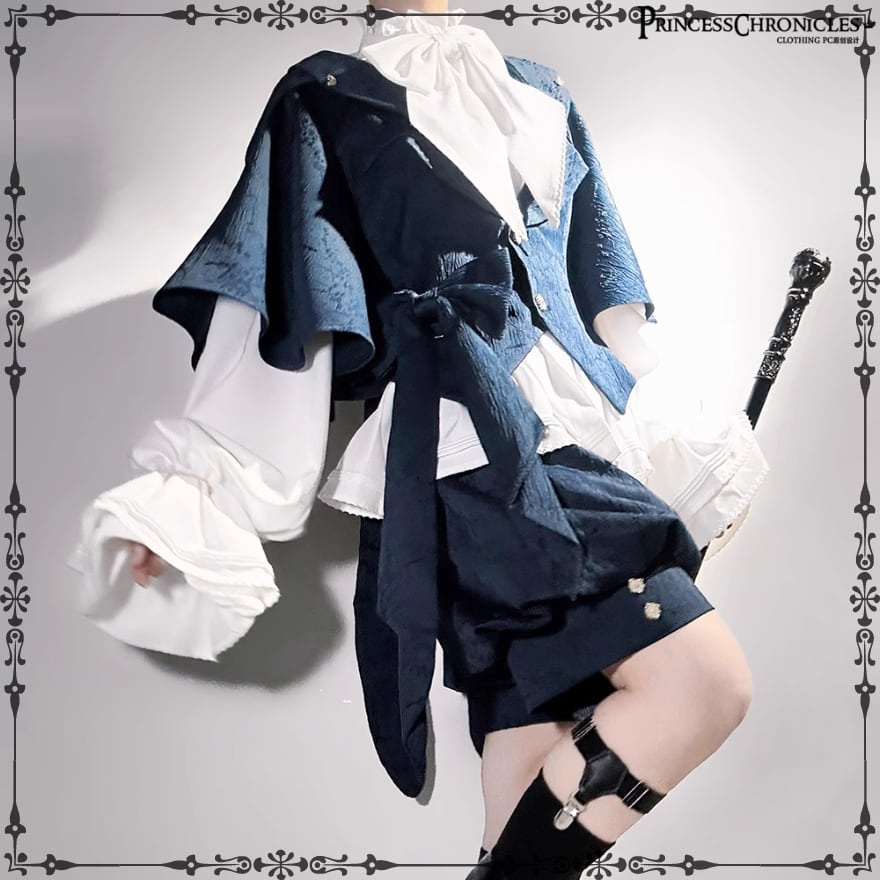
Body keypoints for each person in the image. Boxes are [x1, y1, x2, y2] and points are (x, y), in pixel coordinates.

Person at [68, 4, 767, 877]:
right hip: (468, 456)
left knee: (529, 751)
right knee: (703, 685)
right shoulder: (327, 95)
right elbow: (279, 306)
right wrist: (193, 493)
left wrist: (684, 456)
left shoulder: (541, 92)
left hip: (573, 442)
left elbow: (603, 303)